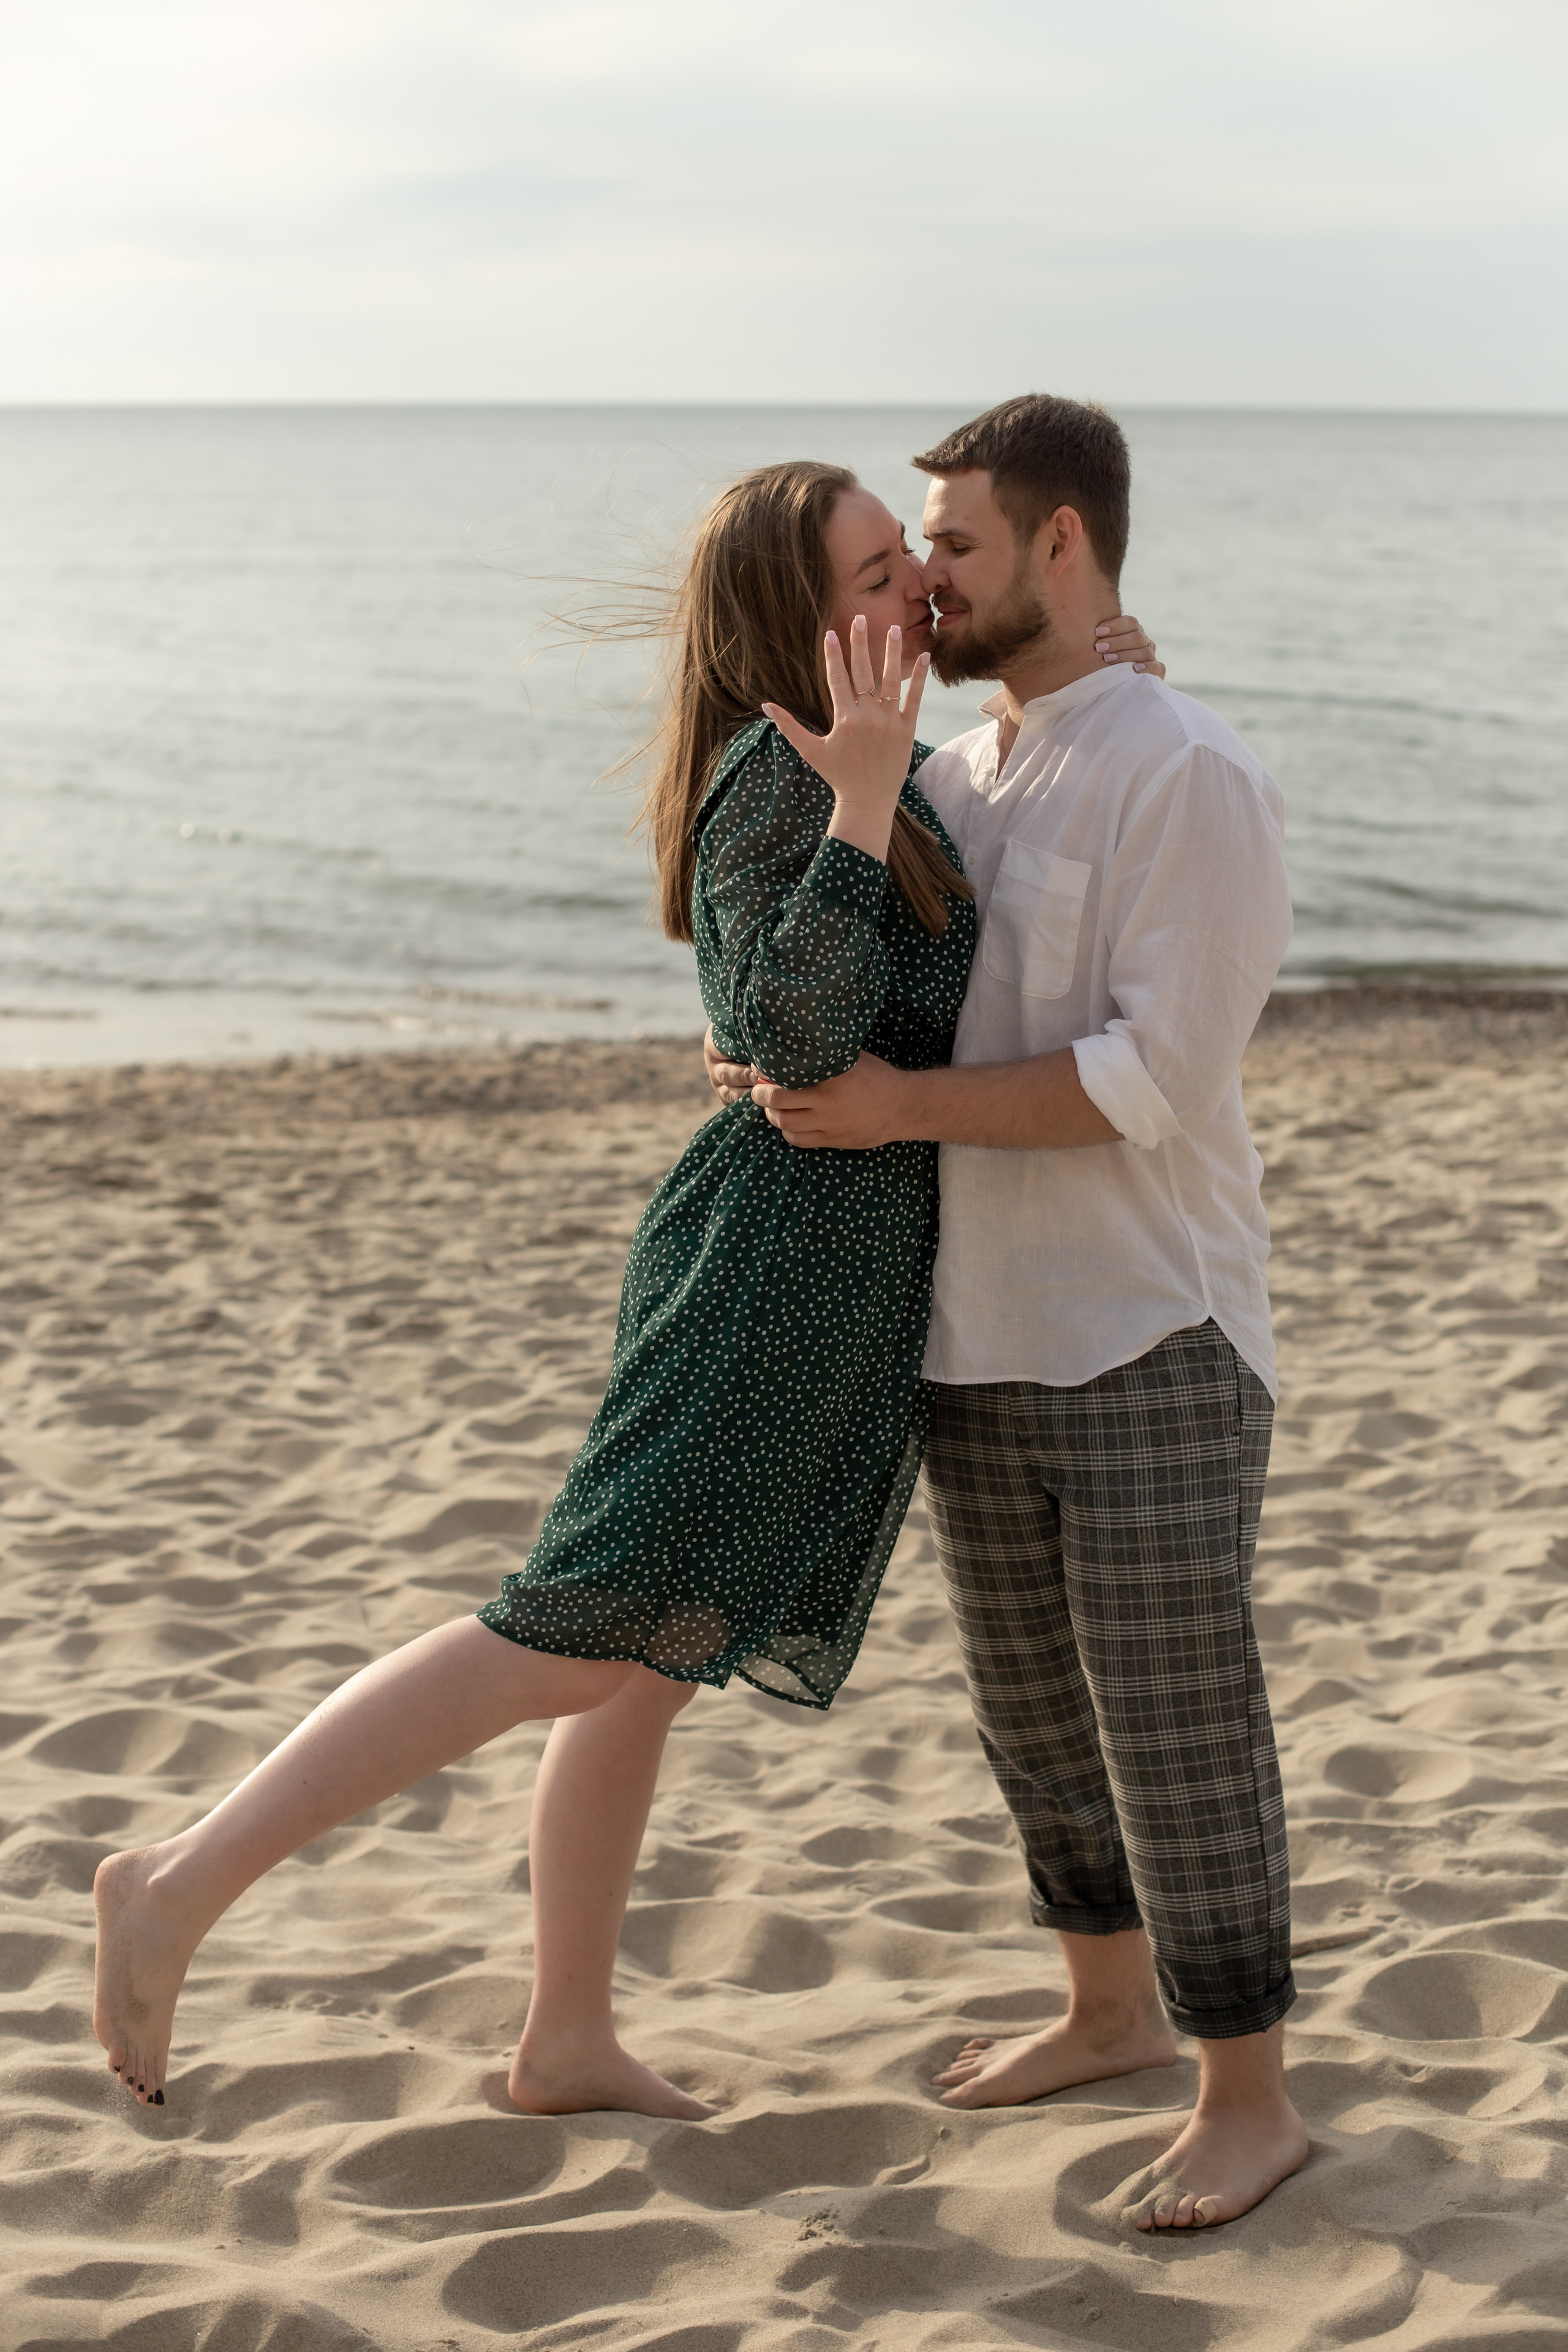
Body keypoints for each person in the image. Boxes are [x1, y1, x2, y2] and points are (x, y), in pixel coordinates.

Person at [91, 453, 1159, 2121]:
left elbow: (933, 904)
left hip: (833, 1271)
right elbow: (794, 1033)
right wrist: (861, 809)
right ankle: (179, 1882)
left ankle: (566, 2039)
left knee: (642, 1661)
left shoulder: (870, 757)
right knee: (570, 1625)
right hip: (767, 1268)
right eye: (877, 571)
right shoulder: (785, 778)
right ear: (799, 619)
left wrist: (1100, 672)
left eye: (912, 556)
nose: (916, 588)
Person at [718, 394, 1305, 2232]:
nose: (927, 582)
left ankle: (1251, 2100)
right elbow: (843, 953)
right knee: (1036, 1723)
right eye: (914, 551)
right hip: (971, 1331)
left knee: (1178, 1727)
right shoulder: (958, 771)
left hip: (1149, 1328)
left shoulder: (1184, 770)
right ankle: (1106, 2013)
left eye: (956, 545)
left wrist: (900, 1108)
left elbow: (1154, 1075)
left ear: (1065, 543)